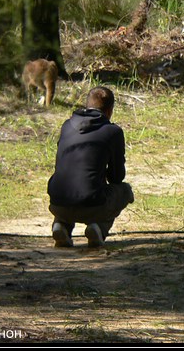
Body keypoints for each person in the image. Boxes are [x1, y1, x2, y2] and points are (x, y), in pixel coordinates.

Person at [47, 86, 134, 247]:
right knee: (125, 190)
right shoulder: (113, 132)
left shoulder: (67, 126)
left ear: (87, 106)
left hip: (57, 202)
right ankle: (98, 228)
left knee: (73, 189)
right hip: (92, 205)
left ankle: (61, 225)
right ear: (109, 111)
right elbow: (117, 177)